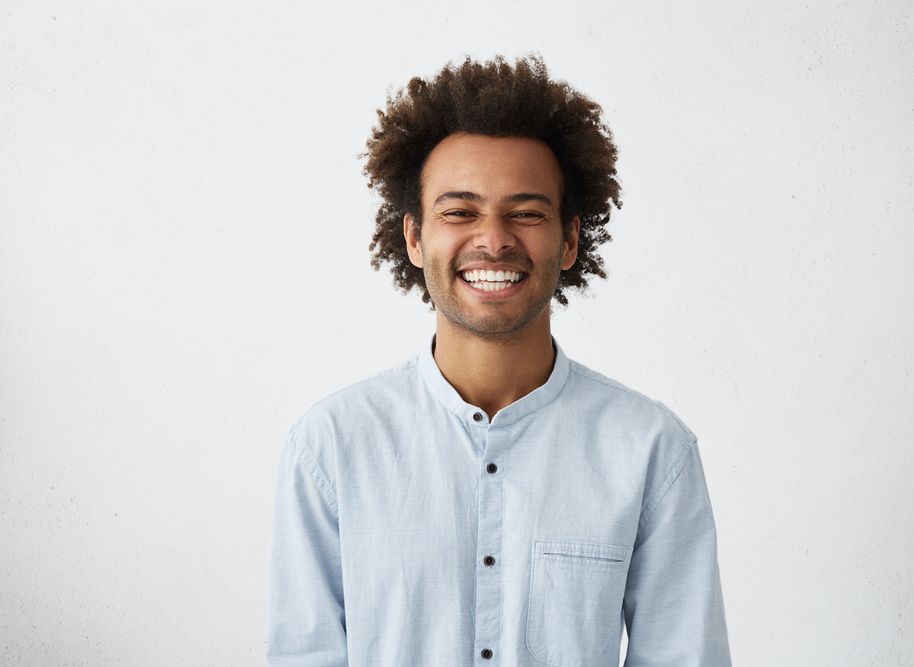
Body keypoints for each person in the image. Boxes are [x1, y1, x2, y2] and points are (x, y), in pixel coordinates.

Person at [266, 54, 731, 666]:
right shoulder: (330, 446)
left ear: (569, 240)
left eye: (527, 212)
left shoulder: (651, 451)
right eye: (459, 211)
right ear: (412, 237)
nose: (493, 239)